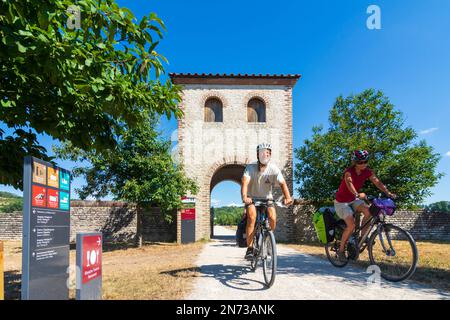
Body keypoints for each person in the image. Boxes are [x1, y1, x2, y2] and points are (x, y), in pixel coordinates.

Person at [334, 150, 396, 261]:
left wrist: (388, 193)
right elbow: (349, 183)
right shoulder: (349, 172)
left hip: (353, 200)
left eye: (365, 161)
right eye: (360, 162)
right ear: (355, 162)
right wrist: (357, 194)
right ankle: (341, 251)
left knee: (369, 211)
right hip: (341, 202)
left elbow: (377, 182)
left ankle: (363, 237)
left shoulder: (367, 171)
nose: (363, 164)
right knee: (351, 225)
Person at [241, 143, 293, 259]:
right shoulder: (250, 168)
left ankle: (269, 239)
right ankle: (249, 249)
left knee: (273, 217)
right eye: (263, 152)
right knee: (252, 218)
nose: (265, 154)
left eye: (268, 152)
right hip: (252, 197)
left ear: (270, 155)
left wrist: (288, 197)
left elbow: (283, 183)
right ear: (258, 154)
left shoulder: (273, 168)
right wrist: (245, 197)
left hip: (267, 198)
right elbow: (245, 183)